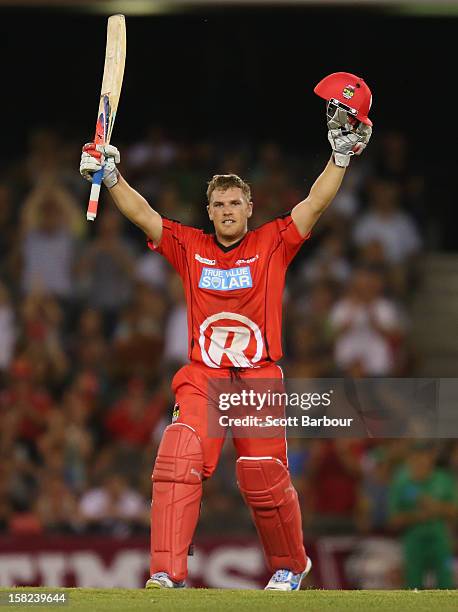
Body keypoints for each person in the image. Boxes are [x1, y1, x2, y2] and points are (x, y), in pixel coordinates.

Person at [80, 97, 371, 591]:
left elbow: (315, 203)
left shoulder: (273, 242)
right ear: (209, 211)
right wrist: (110, 177)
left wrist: (339, 157)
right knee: (178, 457)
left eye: (235, 203)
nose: (227, 211)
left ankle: (289, 565)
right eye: (218, 204)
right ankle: (165, 575)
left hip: (257, 374)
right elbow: (144, 215)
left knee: (261, 474)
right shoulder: (189, 245)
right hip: (205, 376)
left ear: (249, 208)